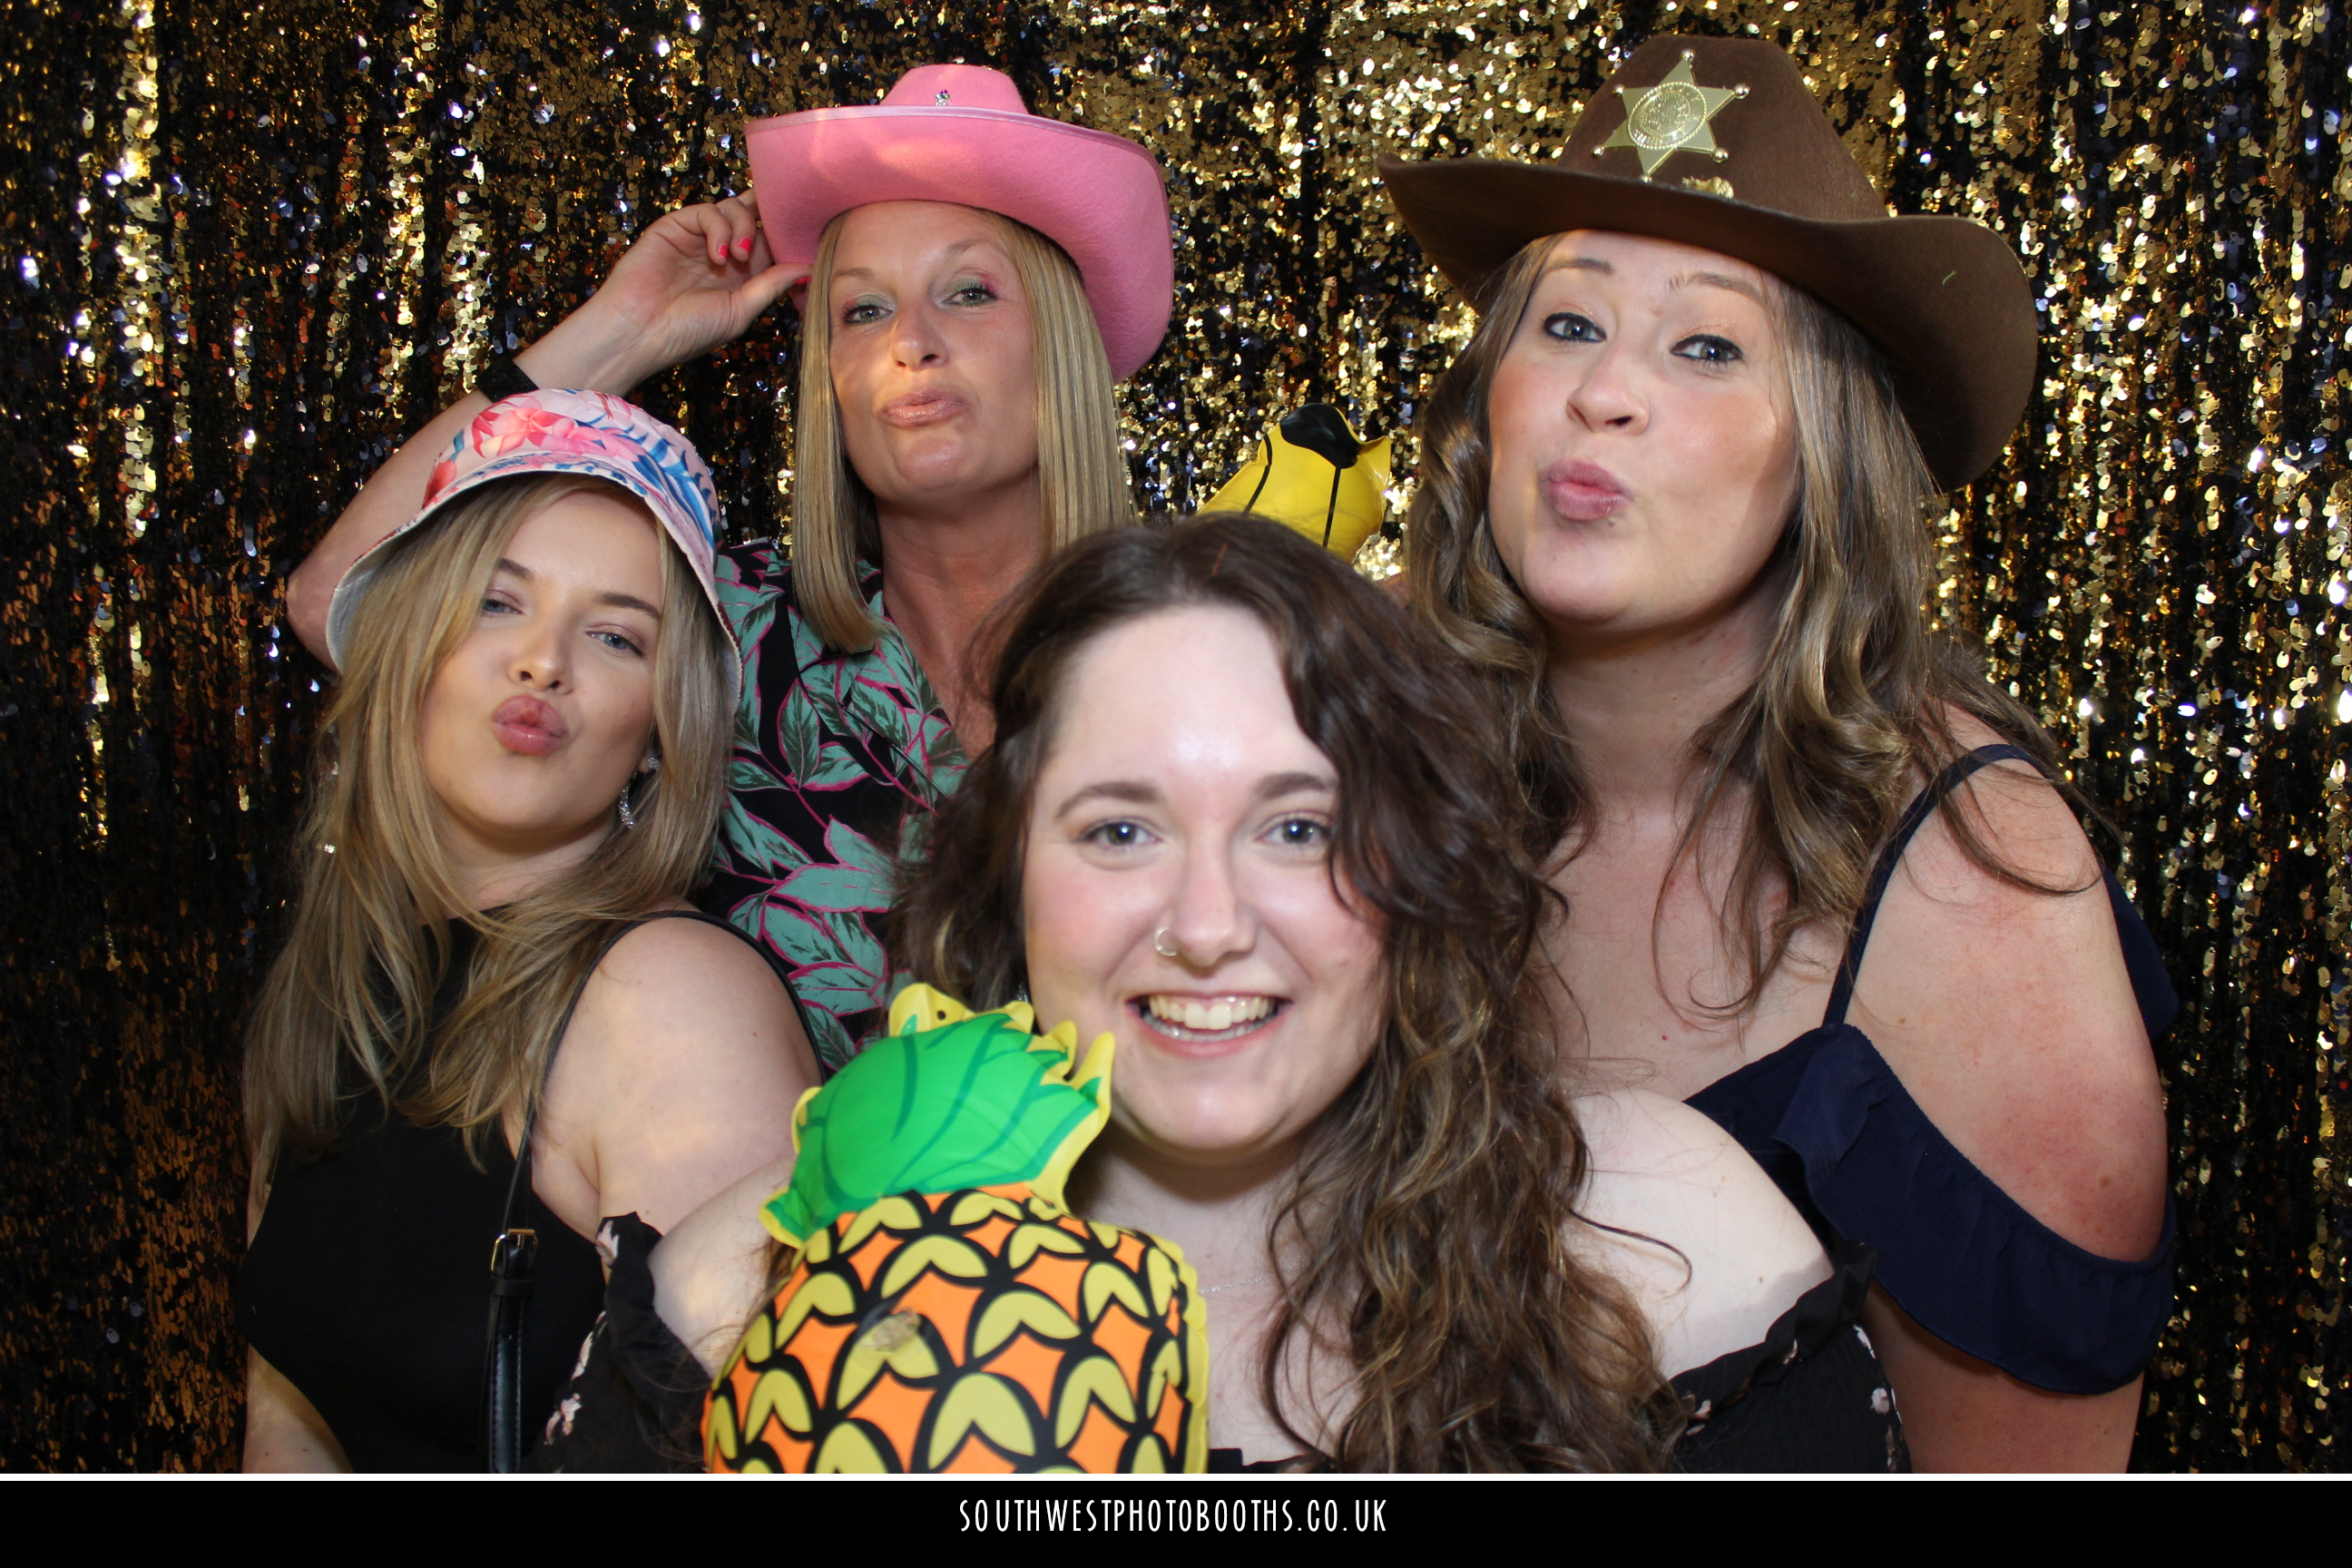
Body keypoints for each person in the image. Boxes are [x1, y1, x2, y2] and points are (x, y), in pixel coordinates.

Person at [658, 515, 1905, 1472]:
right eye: (1120, 832)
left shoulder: (1679, 1257)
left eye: (1299, 829)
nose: (1208, 928)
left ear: (1418, 871)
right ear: (1009, 869)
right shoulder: (743, 1294)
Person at [1381, 35, 2175, 1469]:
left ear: (1822, 453)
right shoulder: (1361, 753)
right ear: (1487, 400)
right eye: (1568, 322)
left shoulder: (1976, 884)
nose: (1603, 393)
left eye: (1706, 346)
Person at [285, 64, 1173, 1068]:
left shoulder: (1204, 649)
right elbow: (339, 597)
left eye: (968, 292)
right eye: (861, 311)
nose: (913, 343)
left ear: (1061, 341)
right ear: (829, 380)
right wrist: (623, 334)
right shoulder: (730, 633)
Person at [235, 392, 819, 1471]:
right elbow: (293, 1396)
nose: (545, 661)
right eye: (496, 603)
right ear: (410, 651)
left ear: (659, 731)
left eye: (614, 636)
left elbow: (749, 1444)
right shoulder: (347, 978)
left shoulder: (668, 1002)